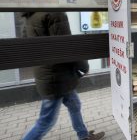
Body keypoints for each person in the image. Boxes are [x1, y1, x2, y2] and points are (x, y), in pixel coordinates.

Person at [21, 12, 105, 140]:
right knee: (46, 121)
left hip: (55, 75)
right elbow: (68, 46)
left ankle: (83, 136)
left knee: (75, 105)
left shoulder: (31, 15)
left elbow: (26, 44)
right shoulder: (54, 13)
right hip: (56, 78)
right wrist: (83, 67)